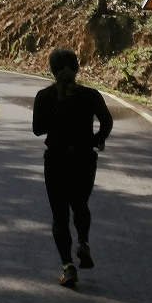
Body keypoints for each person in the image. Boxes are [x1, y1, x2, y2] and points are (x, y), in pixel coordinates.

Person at [32, 47, 113, 287]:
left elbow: (38, 129)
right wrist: (97, 139)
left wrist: (57, 120)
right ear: (77, 68)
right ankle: (83, 243)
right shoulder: (91, 95)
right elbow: (107, 121)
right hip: (84, 160)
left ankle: (68, 267)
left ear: (52, 70)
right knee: (80, 204)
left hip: (56, 160)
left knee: (59, 216)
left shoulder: (44, 96)